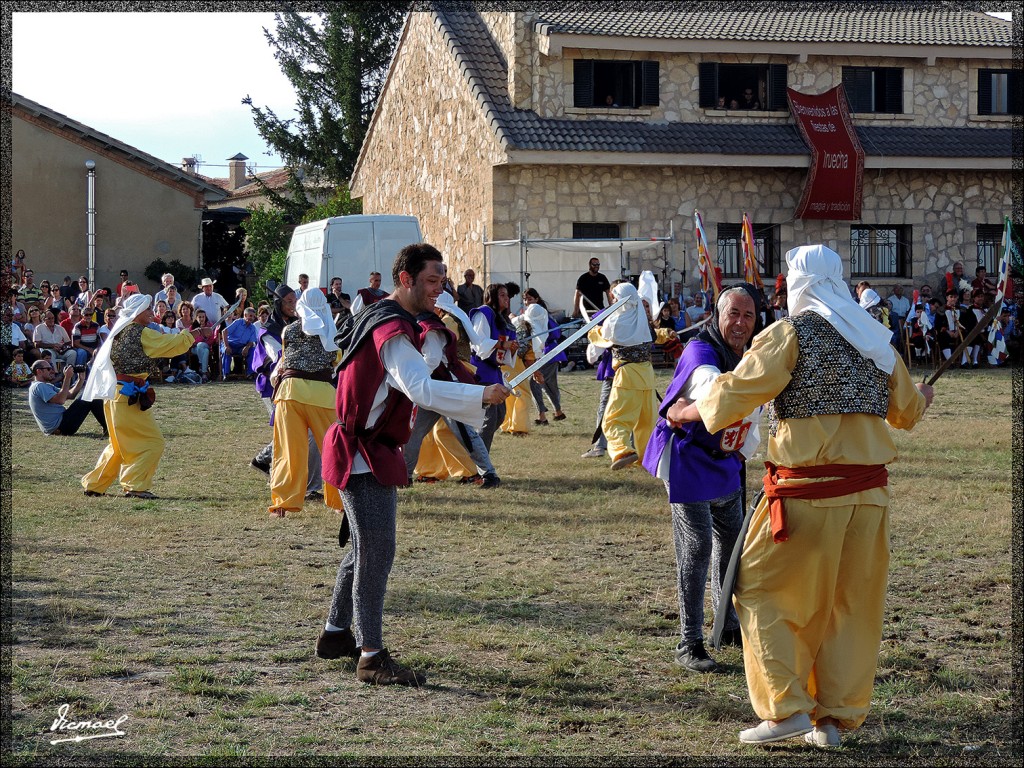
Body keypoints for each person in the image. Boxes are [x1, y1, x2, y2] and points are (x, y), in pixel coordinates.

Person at [666, 244, 932, 748]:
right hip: (869, 502)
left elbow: (733, 392)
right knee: (847, 605)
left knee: (760, 587)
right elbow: (908, 412)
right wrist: (923, 398)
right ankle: (830, 720)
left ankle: (785, 707)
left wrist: (684, 413)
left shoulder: (789, 335)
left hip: (805, 494)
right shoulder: (878, 342)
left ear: (797, 285)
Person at [316, 243, 510, 686]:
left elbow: (421, 377)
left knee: (364, 548)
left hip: (368, 447)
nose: (439, 288)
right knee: (376, 551)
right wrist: (481, 394)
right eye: (431, 280)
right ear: (405, 279)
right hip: (362, 451)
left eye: (442, 280)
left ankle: (334, 634)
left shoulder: (385, 314)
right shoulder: (392, 328)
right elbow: (419, 388)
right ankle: (370, 656)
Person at [643, 285, 762, 673]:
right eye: (733, 314)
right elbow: (715, 391)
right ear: (717, 315)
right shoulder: (701, 354)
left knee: (732, 541)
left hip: (724, 459)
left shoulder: (745, 356)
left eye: (748, 315)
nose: (741, 323)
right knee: (696, 548)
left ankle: (725, 621)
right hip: (687, 459)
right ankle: (689, 641)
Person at [80, 293, 196, 499]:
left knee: (119, 445)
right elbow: (169, 344)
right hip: (127, 396)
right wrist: (191, 335)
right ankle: (135, 485)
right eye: (148, 309)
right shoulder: (141, 333)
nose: (152, 313)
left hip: (115, 394)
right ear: (137, 312)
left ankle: (95, 484)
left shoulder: (120, 331)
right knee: (152, 442)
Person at [402, 291, 501, 488]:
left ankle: (489, 473)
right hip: (435, 385)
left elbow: (432, 359)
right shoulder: (441, 321)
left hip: (447, 386)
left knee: (464, 433)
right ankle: (404, 476)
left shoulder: (435, 325)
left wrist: (411, 376)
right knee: (414, 432)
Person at [266, 289, 343, 518]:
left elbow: (285, 358)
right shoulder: (332, 334)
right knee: (333, 450)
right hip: (323, 397)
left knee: (288, 451)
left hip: (290, 394)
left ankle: (282, 503)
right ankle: (341, 502)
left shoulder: (288, 330)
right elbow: (336, 361)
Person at [249, 284, 325, 501]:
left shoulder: (299, 325)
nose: (293, 305)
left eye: (295, 301)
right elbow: (277, 356)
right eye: (289, 302)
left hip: (297, 384)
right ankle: (305, 485)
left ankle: (264, 460)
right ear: (279, 304)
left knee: (297, 431)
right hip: (274, 385)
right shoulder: (269, 330)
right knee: (292, 432)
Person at [588, 281, 671, 470]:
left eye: (615, 296)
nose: (614, 299)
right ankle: (648, 459)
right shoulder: (641, 319)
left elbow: (602, 337)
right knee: (645, 423)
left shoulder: (616, 320)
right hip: (647, 376)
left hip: (627, 375)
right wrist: (666, 333)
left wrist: (591, 332)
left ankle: (622, 451)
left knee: (614, 419)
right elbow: (653, 335)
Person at [470, 283, 518, 450]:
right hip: (481, 372)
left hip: (494, 373)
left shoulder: (501, 318)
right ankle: (481, 463)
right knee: (488, 420)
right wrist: (503, 344)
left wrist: (511, 349)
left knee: (499, 416)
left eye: (508, 296)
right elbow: (478, 342)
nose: (507, 299)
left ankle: (479, 455)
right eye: (503, 295)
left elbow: (503, 356)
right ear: (493, 297)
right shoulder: (483, 313)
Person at [521, 288, 566, 425]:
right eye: (525, 299)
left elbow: (556, 333)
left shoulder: (540, 314)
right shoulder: (531, 315)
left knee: (535, 383)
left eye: (529, 299)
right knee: (546, 385)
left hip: (548, 353)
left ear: (536, 299)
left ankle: (543, 415)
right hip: (542, 353)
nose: (527, 302)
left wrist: (542, 340)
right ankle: (557, 412)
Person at [28, 358, 107, 435]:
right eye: (48, 369)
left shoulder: (46, 385)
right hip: (60, 427)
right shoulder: (39, 386)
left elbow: (70, 395)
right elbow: (61, 400)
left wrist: (81, 379)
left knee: (89, 395)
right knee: (91, 396)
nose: (52, 371)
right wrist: (67, 377)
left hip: (61, 424)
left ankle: (107, 428)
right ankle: (108, 428)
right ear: (39, 371)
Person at [220, 306, 259, 380]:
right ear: (245, 315)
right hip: (230, 344)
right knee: (226, 351)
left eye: (253, 316)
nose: (252, 318)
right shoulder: (238, 322)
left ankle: (249, 373)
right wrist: (227, 346)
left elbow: (252, 341)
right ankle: (226, 374)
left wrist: (247, 347)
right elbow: (224, 331)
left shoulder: (252, 327)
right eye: (250, 316)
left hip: (241, 347)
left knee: (252, 350)